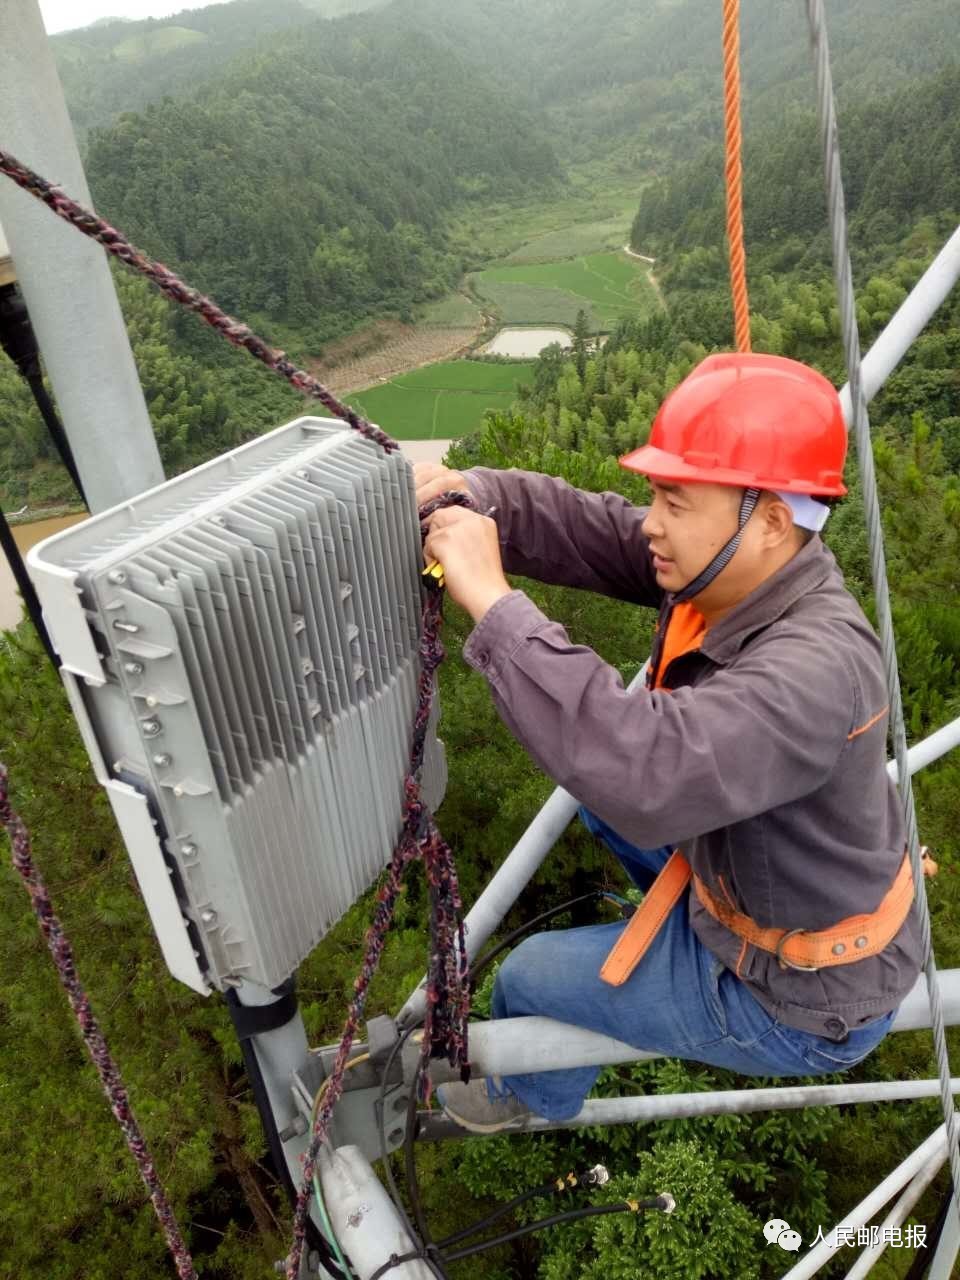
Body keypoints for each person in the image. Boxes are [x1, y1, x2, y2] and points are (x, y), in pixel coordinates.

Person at [415, 352, 926, 1134]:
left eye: (675, 501)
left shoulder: (817, 668)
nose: (650, 520)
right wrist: (475, 497)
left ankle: (529, 1099)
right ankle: (679, 919)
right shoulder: (733, 575)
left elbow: (646, 772)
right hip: (773, 876)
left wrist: (491, 600)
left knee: (529, 979)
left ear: (773, 519)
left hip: (800, 997)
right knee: (601, 811)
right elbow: (589, 527)